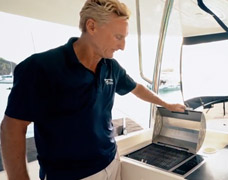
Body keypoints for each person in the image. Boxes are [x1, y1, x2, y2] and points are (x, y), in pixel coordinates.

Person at [0, 0, 186, 179]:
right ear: (92, 27)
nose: (122, 46)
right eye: (118, 37)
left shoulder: (111, 67)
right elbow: (12, 128)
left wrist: (166, 103)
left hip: (112, 162)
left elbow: (136, 88)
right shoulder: (40, 68)